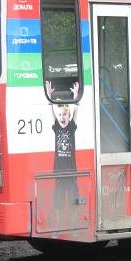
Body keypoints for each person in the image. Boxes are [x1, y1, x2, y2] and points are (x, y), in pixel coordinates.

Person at [46, 80, 80, 229]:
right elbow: (51, 112)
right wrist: (49, 96)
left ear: (68, 116)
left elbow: (76, 111)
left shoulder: (71, 127)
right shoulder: (56, 128)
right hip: (59, 172)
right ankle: (59, 225)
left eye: (64, 115)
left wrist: (76, 95)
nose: (62, 117)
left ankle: (73, 225)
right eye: (60, 115)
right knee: (58, 201)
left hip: (71, 172)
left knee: (73, 200)